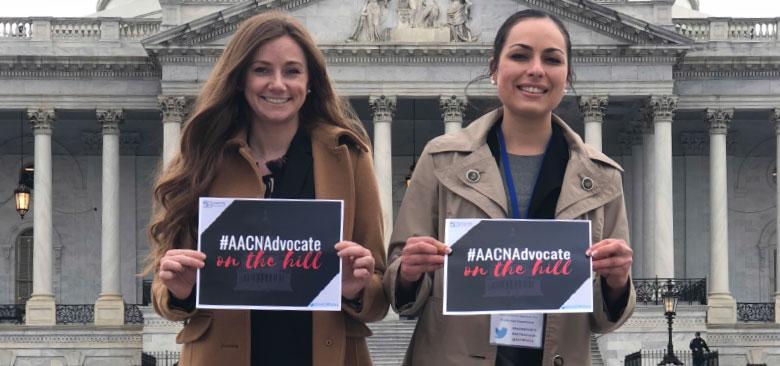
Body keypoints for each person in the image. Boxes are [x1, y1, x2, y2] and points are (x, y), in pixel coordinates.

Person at [384, 9, 635, 366]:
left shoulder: (602, 176)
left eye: (552, 59)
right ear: (494, 69)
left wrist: (617, 281)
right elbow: (398, 289)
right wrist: (410, 271)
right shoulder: (441, 160)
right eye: (520, 55)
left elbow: (602, 317)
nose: (535, 69)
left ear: (567, 76)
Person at [145, 11, 388, 366]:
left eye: (292, 71)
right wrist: (181, 290)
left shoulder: (348, 157)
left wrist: (355, 288)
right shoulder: (204, 155)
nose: (278, 84)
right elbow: (164, 284)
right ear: (240, 79)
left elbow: (379, 294)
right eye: (262, 70)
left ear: (310, 82)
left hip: (321, 353)